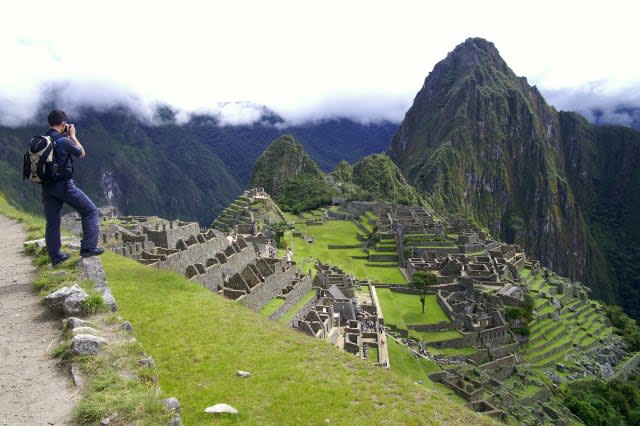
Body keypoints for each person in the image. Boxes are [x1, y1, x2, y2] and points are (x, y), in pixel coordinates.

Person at [43, 109, 103, 266]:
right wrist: (73, 136)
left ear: (49, 123)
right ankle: (88, 248)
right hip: (64, 185)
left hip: (47, 186)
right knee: (90, 211)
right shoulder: (63, 141)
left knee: (52, 221)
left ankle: (55, 257)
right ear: (63, 124)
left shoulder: (43, 140)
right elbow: (81, 153)